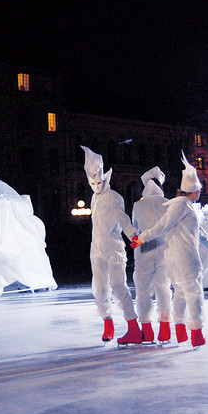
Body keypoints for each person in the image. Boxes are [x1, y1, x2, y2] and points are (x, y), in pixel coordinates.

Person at [132, 151, 208, 347]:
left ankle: (176, 331)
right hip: (183, 256)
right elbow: (162, 226)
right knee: (190, 292)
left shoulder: (173, 205)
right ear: (193, 191)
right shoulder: (178, 205)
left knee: (176, 292)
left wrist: (140, 237)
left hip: (170, 256)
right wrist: (141, 238)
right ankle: (195, 332)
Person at [81, 145, 142, 344]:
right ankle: (108, 323)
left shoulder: (114, 197)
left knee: (118, 286)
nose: (97, 185)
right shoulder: (93, 198)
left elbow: (122, 218)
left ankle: (134, 328)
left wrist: (133, 234)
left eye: (99, 181)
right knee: (99, 288)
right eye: (93, 182)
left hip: (114, 248)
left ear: (105, 179)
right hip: (96, 249)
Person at [131, 166, 172, 343]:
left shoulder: (138, 205)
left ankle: (146, 328)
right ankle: (165, 327)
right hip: (165, 250)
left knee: (142, 290)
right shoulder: (168, 203)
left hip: (144, 251)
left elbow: (135, 226)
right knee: (163, 287)